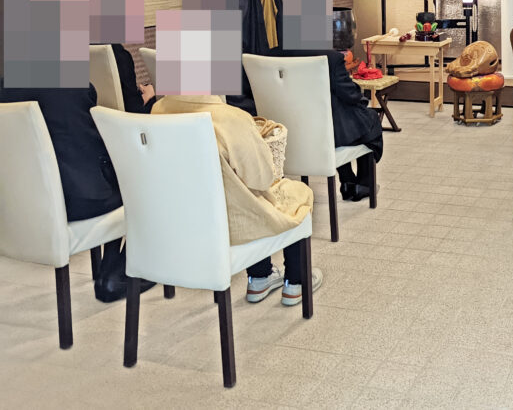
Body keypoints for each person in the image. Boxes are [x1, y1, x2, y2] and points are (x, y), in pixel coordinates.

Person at [151, 94, 322, 306]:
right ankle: (296, 282)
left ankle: (260, 277)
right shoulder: (232, 119)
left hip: (180, 226)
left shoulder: (158, 111)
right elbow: (262, 178)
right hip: (230, 227)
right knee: (297, 193)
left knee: (243, 197)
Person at [0, 80, 157, 303]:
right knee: (143, 182)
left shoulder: (4, 89)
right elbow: (92, 146)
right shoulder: (75, 84)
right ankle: (119, 273)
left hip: (23, 208)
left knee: (111, 174)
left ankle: (111, 268)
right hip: (79, 203)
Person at [271, 47, 384, 202]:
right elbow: (351, 94)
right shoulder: (331, 58)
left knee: (340, 121)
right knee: (369, 119)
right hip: (324, 137)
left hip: (284, 137)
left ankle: (348, 180)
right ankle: (363, 184)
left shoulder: (268, 56)